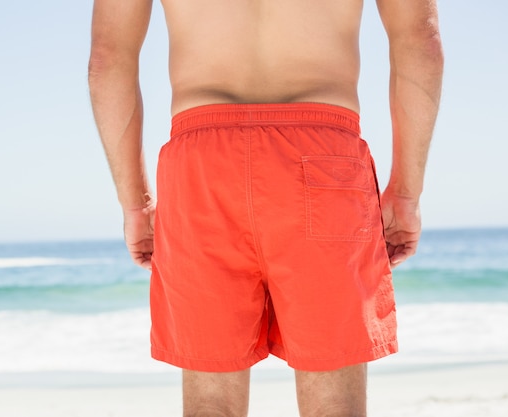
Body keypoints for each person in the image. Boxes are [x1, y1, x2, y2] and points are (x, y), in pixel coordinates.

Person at [88, 0, 443, 415]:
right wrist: (405, 192)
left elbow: (107, 59)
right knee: (335, 406)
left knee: (211, 404)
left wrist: (136, 203)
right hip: (324, 155)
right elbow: (421, 41)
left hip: (201, 159)